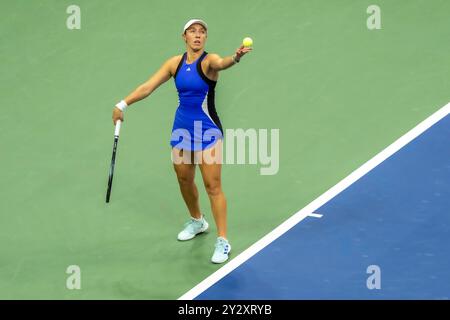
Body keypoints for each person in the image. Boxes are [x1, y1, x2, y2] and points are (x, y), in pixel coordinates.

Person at [112, 19, 252, 263]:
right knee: (184, 179)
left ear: (205, 38)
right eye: (193, 32)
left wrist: (236, 57)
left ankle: (223, 240)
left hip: (207, 132)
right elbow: (148, 87)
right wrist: (122, 104)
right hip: (181, 130)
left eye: (202, 32)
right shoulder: (174, 63)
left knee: (213, 186)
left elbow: (222, 63)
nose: (198, 35)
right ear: (184, 37)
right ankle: (198, 220)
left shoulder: (209, 61)